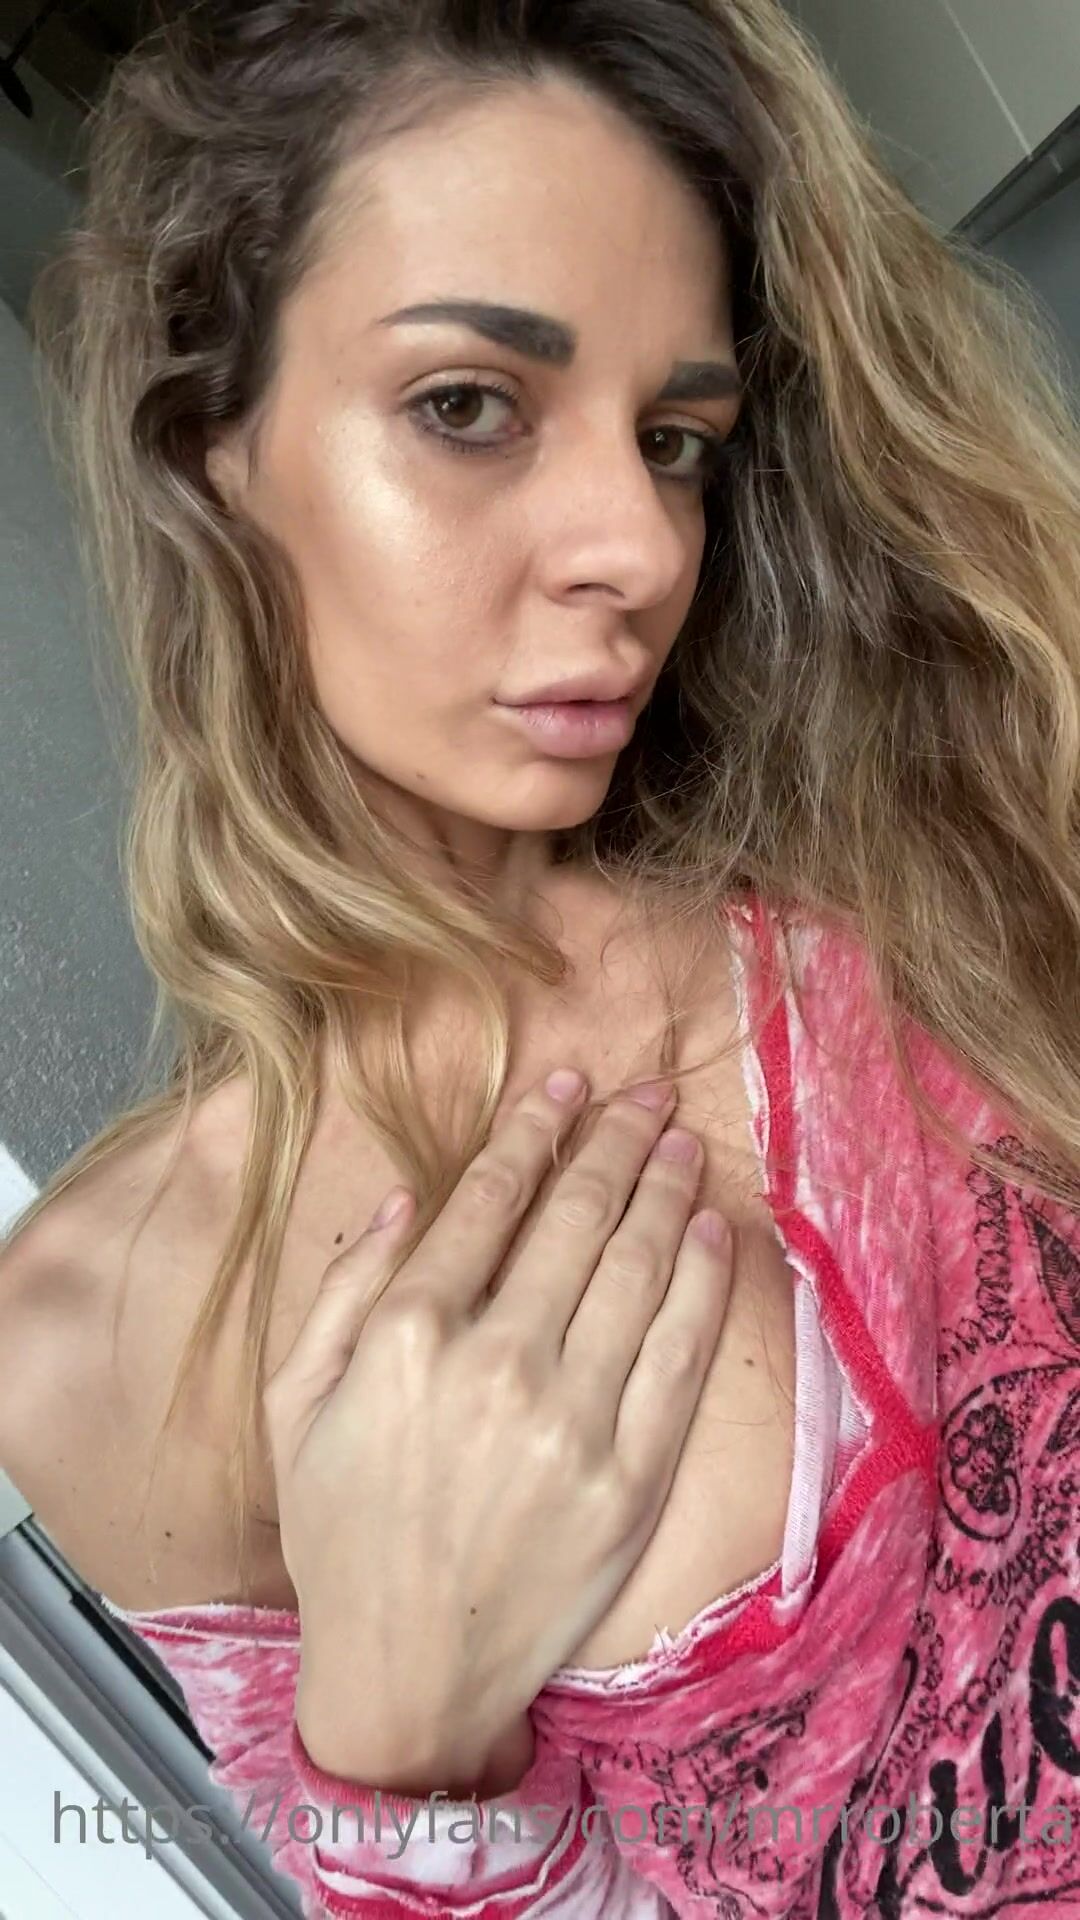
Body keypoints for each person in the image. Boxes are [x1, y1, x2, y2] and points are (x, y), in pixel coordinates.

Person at [2, 0, 1079, 1913]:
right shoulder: (113, 1332)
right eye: (469, 406)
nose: (640, 549)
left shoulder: (899, 843)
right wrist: (405, 1754)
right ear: (210, 447)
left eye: (674, 441)